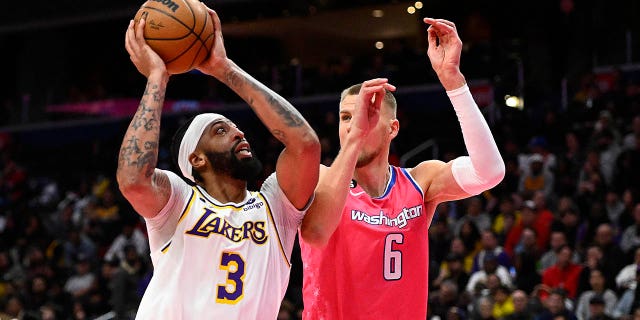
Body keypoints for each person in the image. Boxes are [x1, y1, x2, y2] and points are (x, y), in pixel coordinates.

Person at [118, 8, 320, 320]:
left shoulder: (275, 207)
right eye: (220, 130)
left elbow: (305, 145)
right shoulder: (178, 200)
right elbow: (133, 180)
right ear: (196, 158)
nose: (239, 133)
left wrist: (224, 69)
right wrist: (158, 77)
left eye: (236, 128)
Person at [299, 18, 504, 319]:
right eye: (346, 118)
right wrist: (356, 138)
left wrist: (453, 82)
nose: (355, 124)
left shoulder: (420, 181)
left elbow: (490, 172)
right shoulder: (318, 177)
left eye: (366, 114)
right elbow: (315, 230)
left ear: (393, 128)